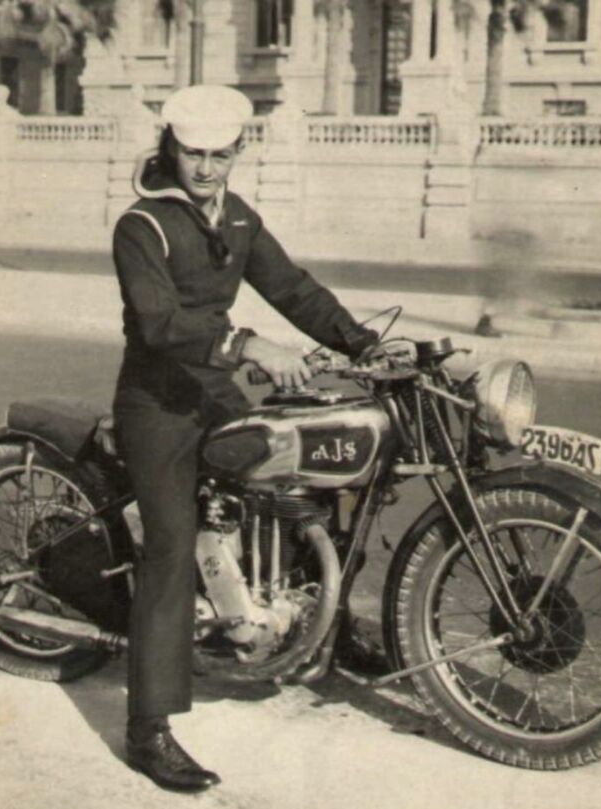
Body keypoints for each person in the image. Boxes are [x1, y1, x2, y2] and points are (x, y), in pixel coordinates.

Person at [111, 84, 377, 793]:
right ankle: (148, 730)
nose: (204, 166)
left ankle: (309, 624)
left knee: (293, 476)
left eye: (217, 153)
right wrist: (247, 341)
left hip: (216, 395)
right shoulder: (144, 225)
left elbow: (292, 288)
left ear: (238, 150)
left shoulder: (239, 218)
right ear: (172, 149)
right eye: (191, 153)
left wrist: (363, 342)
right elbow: (159, 323)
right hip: (157, 404)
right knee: (171, 543)